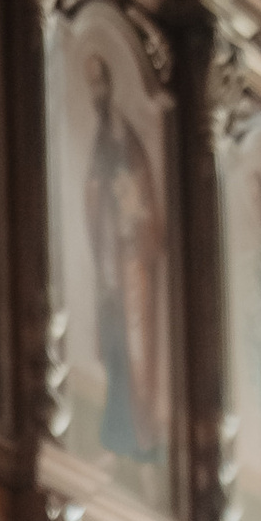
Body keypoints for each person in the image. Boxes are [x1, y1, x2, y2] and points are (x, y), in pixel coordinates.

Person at [82, 51, 163, 466]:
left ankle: (141, 442)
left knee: (134, 350)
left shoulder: (126, 140)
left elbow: (142, 204)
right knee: (115, 347)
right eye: (90, 84)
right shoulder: (100, 138)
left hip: (132, 264)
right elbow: (94, 199)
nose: (96, 92)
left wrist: (130, 227)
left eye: (99, 83)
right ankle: (116, 437)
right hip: (112, 264)